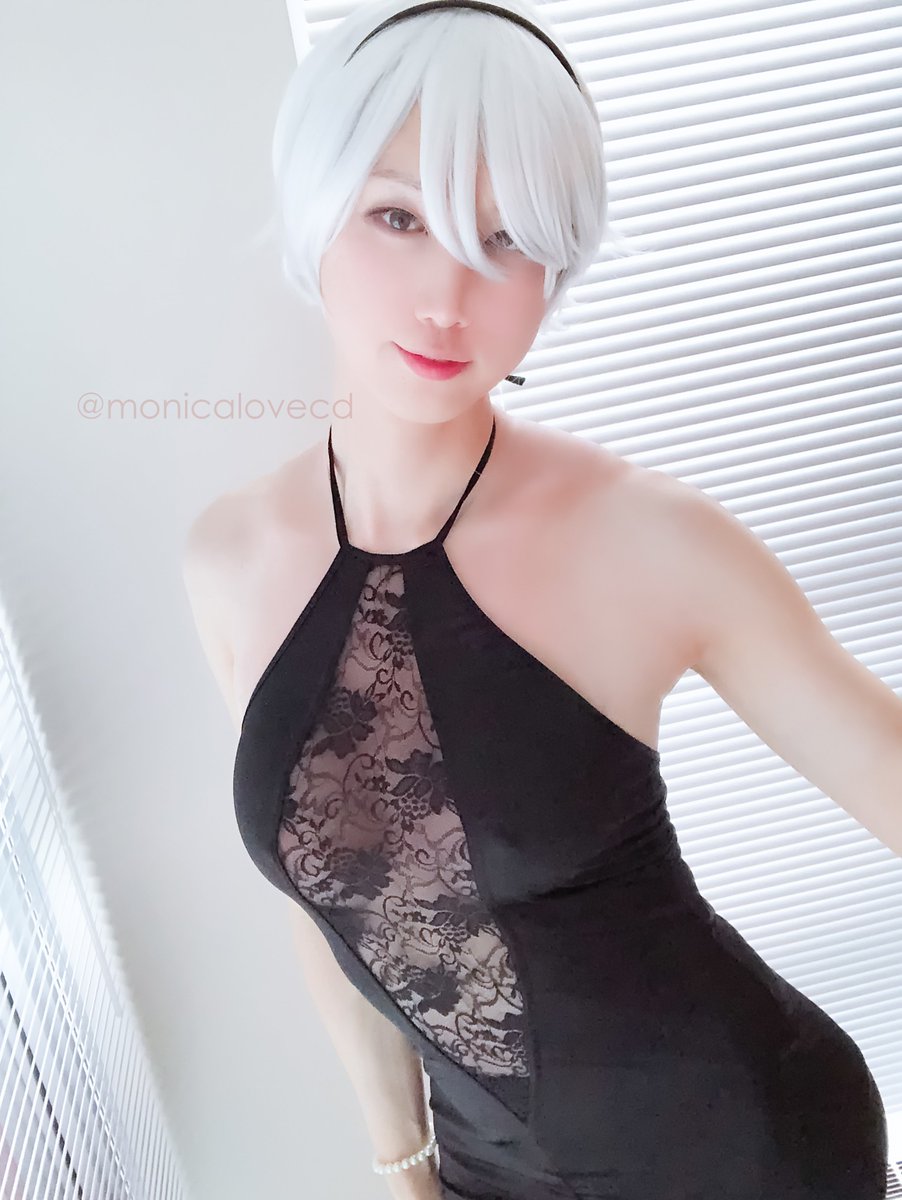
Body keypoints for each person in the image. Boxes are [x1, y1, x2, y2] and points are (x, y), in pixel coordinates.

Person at [182, 1, 891, 1197]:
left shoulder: (649, 538)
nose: (446, 297)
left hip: (743, 1150)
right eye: (398, 217)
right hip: (483, 1169)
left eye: (505, 239)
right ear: (314, 209)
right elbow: (329, 900)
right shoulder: (231, 557)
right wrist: (400, 1160)